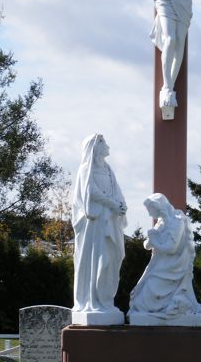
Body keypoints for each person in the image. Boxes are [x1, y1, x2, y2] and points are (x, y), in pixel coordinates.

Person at [71, 133, 127, 323]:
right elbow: (90, 192)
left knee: (111, 259)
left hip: (109, 221)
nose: (107, 146)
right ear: (95, 147)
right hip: (94, 224)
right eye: (103, 142)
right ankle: (92, 299)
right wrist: (112, 204)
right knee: (97, 260)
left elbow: (116, 190)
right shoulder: (86, 169)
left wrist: (120, 204)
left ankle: (105, 300)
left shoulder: (108, 169)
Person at [128, 193, 201, 324]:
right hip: (159, 265)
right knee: (140, 301)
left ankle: (177, 307)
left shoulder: (176, 221)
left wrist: (154, 242)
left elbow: (171, 249)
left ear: (159, 207)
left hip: (172, 267)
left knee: (142, 301)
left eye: (150, 210)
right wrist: (149, 242)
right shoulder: (161, 222)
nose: (148, 214)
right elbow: (148, 244)